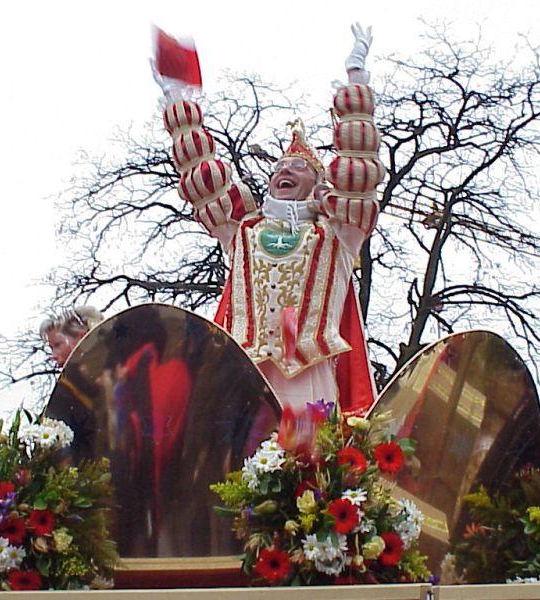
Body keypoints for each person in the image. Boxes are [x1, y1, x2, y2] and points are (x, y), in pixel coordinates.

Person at [153, 24, 382, 415]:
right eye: (279, 167)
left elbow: (359, 168)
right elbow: (202, 177)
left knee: (311, 470)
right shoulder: (243, 232)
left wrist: (355, 75)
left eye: (297, 166)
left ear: (318, 181)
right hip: (243, 379)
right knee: (239, 472)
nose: (283, 171)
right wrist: (178, 97)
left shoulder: (338, 234)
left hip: (312, 378)